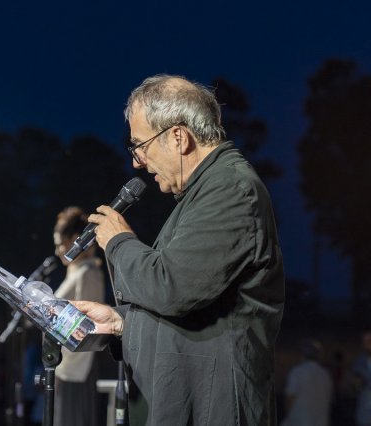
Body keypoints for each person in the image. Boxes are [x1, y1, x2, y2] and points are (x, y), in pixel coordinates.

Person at [71, 74, 285, 425]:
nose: (137, 162)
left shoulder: (230, 188)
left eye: (140, 145)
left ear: (178, 137)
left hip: (215, 407)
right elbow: (193, 309)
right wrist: (122, 322)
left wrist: (119, 241)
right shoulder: (207, 189)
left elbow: (171, 288)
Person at [52, 206, 106, 426]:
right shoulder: (76, 272)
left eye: (60, 244)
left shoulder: (88, 273)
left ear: (75, 239)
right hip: (65, 368)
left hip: (76, 369)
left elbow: (86, 325)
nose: (57, 251)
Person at [281, 340, 333, 426]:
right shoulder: (325, 374)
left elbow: (290, 399)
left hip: (299, 422)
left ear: (302, 355)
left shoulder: (297, 372)